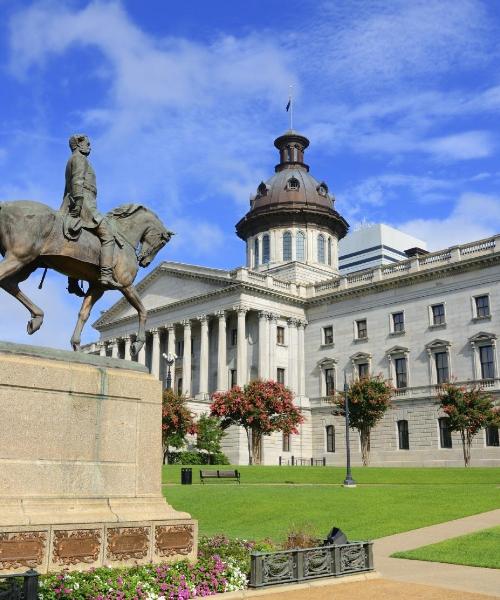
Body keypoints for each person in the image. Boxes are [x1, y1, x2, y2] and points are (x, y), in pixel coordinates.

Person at [62, 134, 119, 295]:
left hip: (77, 202)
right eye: (87, 144)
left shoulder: (71, 160)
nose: (90, 147)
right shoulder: (80, 159)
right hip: (84, 204)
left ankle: (72, 281)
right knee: (108, 237)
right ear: (79, 145)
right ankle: (106, 274)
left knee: (77, 241)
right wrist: (79, 204)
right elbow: (77, 181)